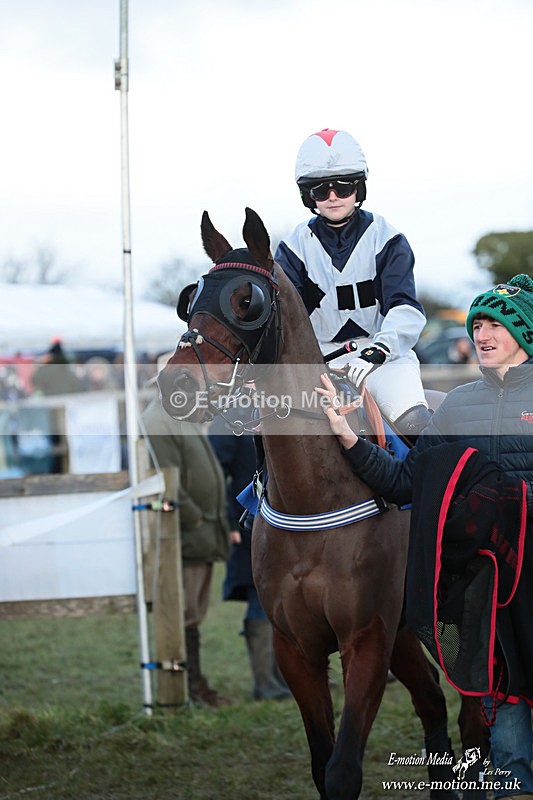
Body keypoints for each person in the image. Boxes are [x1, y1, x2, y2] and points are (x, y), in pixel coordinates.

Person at [317, 273, 533, 800]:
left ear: (522, 335)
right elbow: (406, 482)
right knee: (507, 718)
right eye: (476, 324)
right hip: (493, 591)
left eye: (494, 324)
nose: (481, 334)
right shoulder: (456, 406)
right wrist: (348, 436)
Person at [275, 128, 431, 437]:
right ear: (308, 195)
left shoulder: (388, 239)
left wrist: (378, 351)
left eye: (343, 187)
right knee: (275, 429)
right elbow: (284, 319)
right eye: (320, 190)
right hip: (319, 363)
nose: (332, 197)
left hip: (384, 358)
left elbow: (405, 308)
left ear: (359, 189)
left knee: (419, 429)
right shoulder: (292, 247)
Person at [142, 395, 232, 708]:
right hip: (188, 533)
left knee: (193, 613)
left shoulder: (178, 414)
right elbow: (167, 477)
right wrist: (193, 517)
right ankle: (190, 687)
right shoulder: (159, 419)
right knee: (186, 615)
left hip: (200, 531)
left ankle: (195, 684)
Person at [209, 408, 291, 701]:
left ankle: (284, 676)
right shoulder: (229, 417)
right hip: (248, 521)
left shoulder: (279, 405)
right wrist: (228, 520)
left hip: (286, 518)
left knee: (286, 598)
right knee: (261, 596)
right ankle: (264, 683)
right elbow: (214, 471)